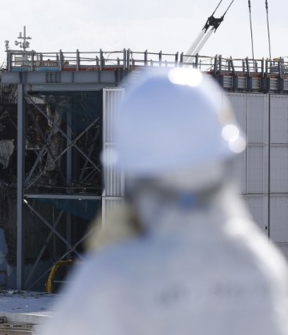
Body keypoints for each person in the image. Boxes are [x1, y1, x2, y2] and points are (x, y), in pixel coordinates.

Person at [38, 67, 288, 335]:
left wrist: (108, 260)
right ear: (226, 160)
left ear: (134, 171)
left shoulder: (111, 280)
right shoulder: (262, 265)